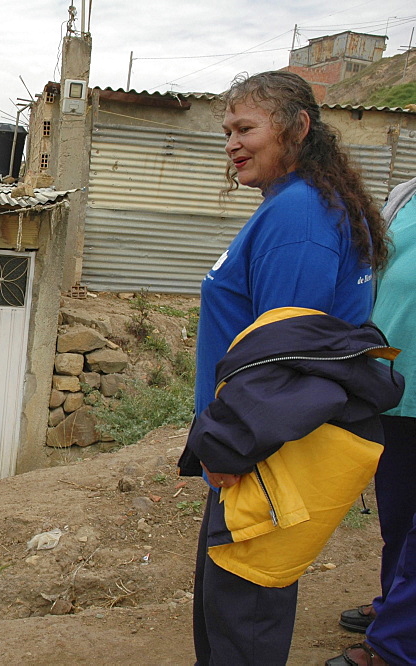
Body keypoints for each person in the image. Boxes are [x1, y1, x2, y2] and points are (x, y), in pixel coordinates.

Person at [177, 71, 399, 665]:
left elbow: (281, 360)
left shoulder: (299, 216)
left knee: (241, 630)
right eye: (228, 130)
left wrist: (230, 448)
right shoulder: (300, 204)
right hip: (257, 450)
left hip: (263, 456)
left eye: (246, 127)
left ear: (298, 129)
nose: (232, 143)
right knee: (232, 617)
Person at [327, 177, 416, 665]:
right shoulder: (406, 194)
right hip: (395, 388)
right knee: (398, 516)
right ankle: (394, 608)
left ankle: (396, 646)